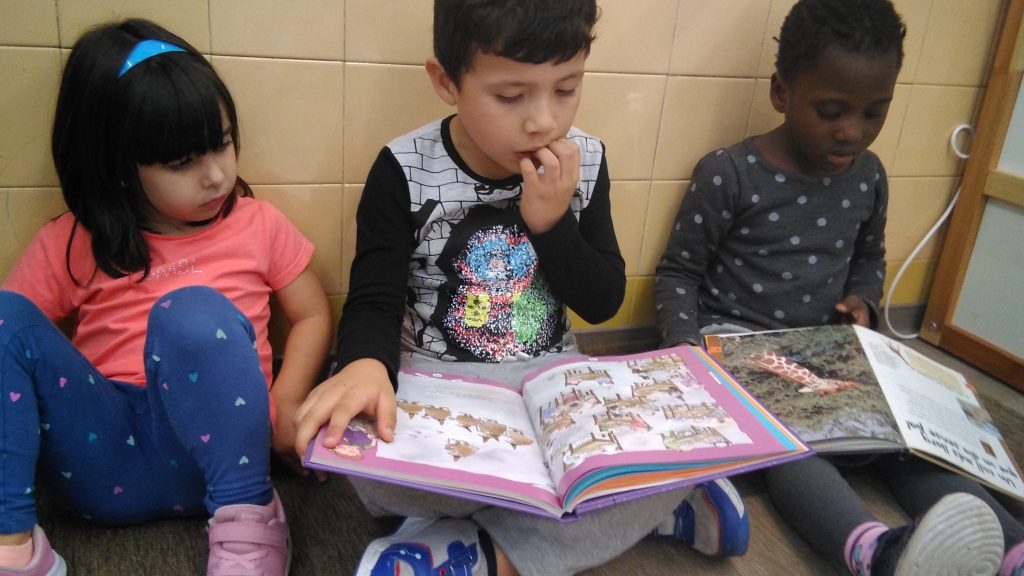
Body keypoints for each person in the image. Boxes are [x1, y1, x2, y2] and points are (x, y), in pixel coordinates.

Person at [292, 1, 747, 574]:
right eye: (511, 96)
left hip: (551, 388)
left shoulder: (585, 161)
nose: (543, 122)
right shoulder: (403, 168)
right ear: (446, 81)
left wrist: (553, 225)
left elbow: (602, 301)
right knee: (362, 470)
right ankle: (642, 511)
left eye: (567, 89)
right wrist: (363, 365)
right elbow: (374, 297)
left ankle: (485, 555)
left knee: (677, 439)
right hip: (438, 387)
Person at [654, 0, 1024, 575]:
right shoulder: (728, 173)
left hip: (832, 349)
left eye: (875, 112)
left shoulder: (869, 175)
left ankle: (1011, 547)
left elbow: (869, 256)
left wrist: (864, 301)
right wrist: (686, 350)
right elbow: (679, 273)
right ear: (782, 92)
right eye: (831, 111)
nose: (852, 131)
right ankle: (875, 552)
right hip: (740, 345)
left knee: (902, 440)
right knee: (793, 449)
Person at [0, 19, 332, 576]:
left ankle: (251, 525)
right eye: (181, 162)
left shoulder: (258, 224)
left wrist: (287, 404)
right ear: (120, 167)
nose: (216, 176)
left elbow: (313, 314)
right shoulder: (76, 241)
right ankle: (13, 546)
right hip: (101, 462)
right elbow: (14, 344)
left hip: (221, 461)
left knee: (191, 312)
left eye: (222, 144)